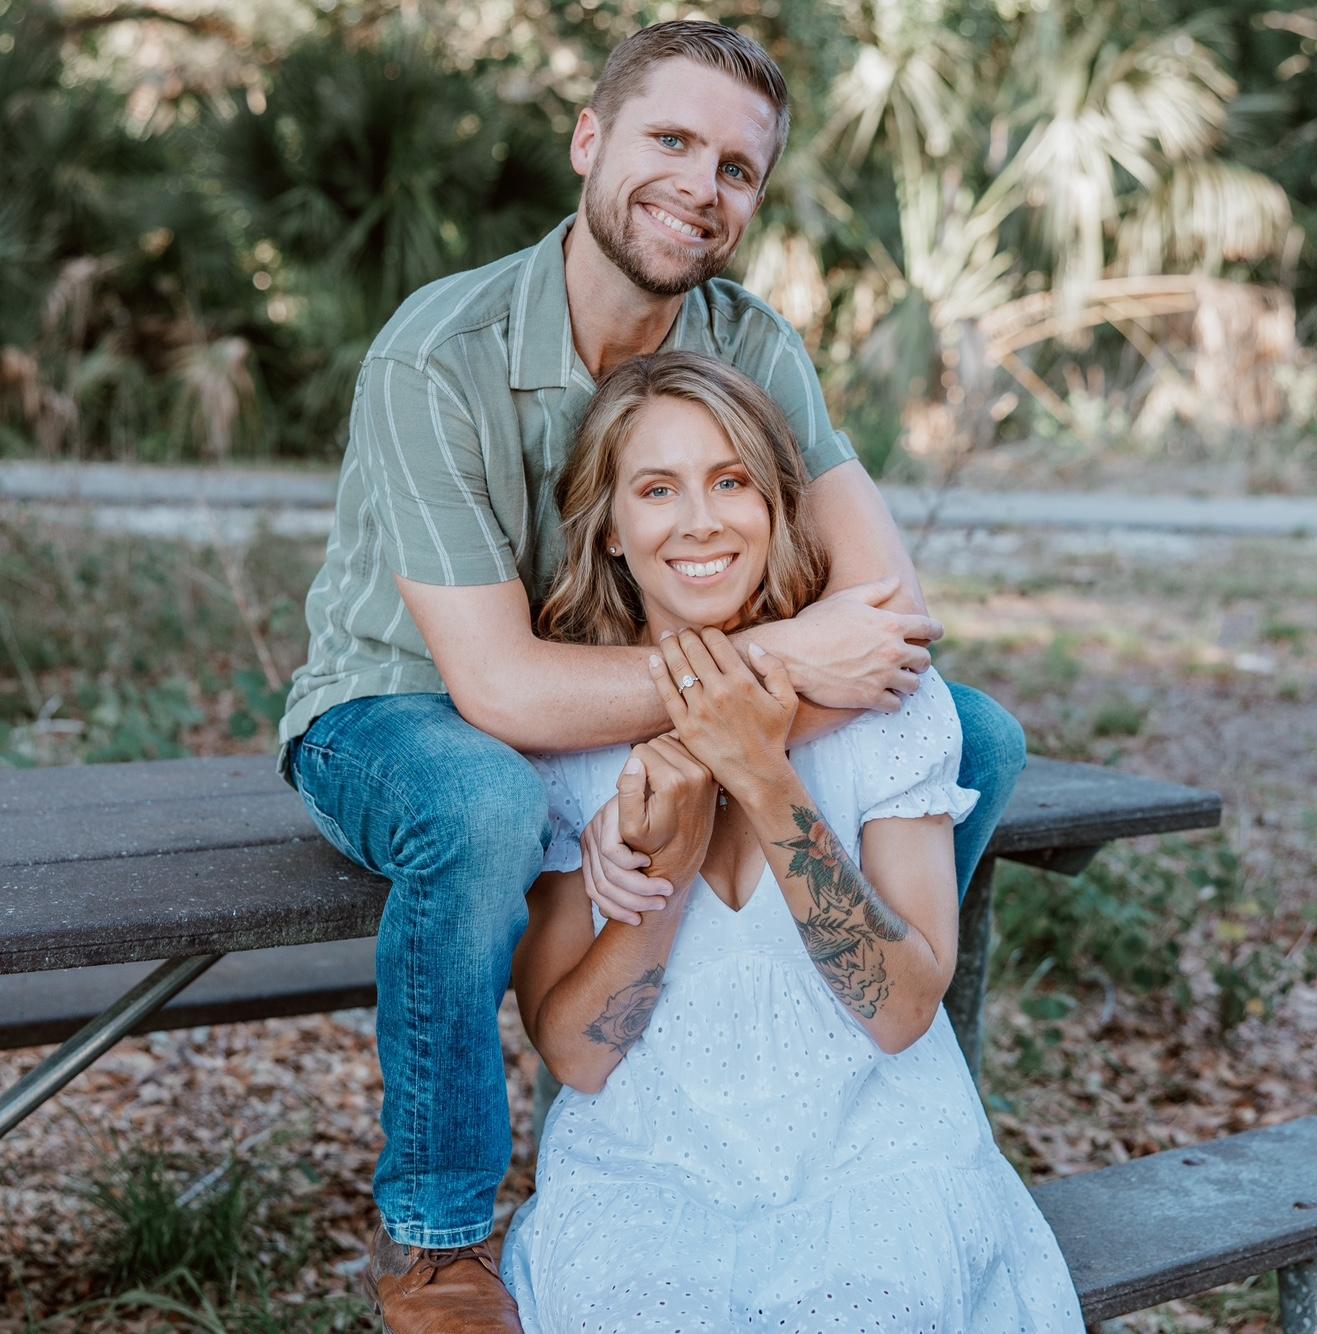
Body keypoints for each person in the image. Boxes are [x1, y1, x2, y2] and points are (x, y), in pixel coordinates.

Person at [278, 20, 1026, 1332]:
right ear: (588, 140)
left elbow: (891, 606)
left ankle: (864, 1066)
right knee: (481, 804)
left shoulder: (746, 336)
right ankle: (437, 1234)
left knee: (975, 734)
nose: (701, 182)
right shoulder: (433, 351)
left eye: (736, 167)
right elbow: (503, 691)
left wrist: (729, 720)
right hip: (406, 700)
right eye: (669, 139)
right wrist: (771, 673)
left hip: (626, 678)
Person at [500, 350, 1080, 1331]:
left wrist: (765, 779)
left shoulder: (888, 709)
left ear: (775, 504)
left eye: (731, 480)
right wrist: (667, 871)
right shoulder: (562, 747)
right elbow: (577, 1058)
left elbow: (899, 1012)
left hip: (873, 1157)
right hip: (644, 1170)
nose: (699, 520)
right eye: (655, 488)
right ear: (606, 528)